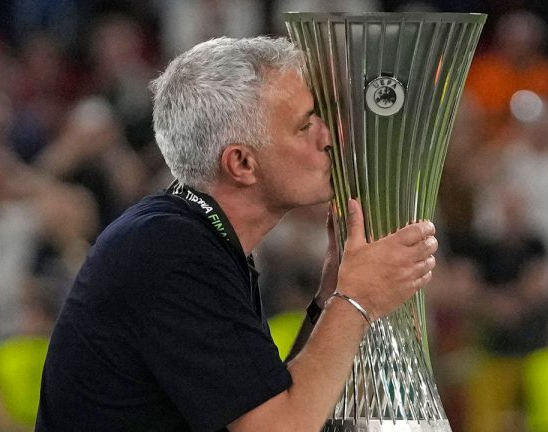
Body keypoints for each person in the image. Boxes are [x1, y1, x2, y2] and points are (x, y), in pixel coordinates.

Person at [35, 36, 439, 432]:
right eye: (304, 126)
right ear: (242, 163)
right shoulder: (173, 253)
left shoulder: (186, 236)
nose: (329, 136)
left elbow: (268, 404)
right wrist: (356, 300)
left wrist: (332, 295)